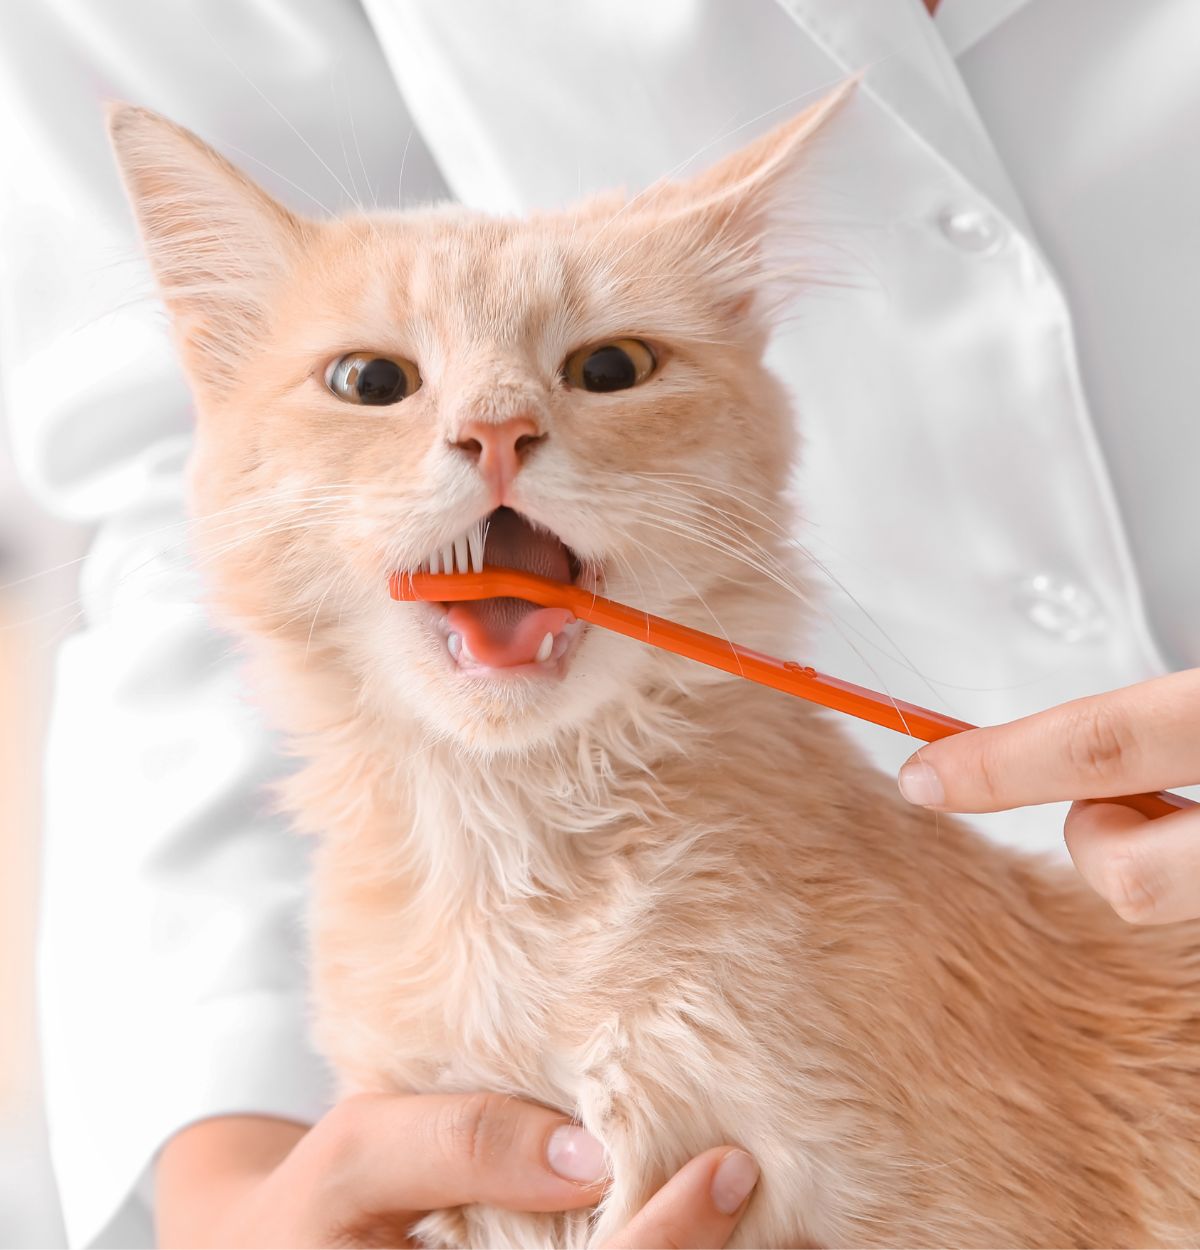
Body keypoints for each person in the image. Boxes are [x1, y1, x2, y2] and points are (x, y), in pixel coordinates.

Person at [1, 0, 1196, 1245]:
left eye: (611, 367)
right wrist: (225, 1180)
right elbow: (154, 480)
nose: (495, 423)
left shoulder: (799, 956)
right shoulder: (368, 951)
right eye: (374, 381)